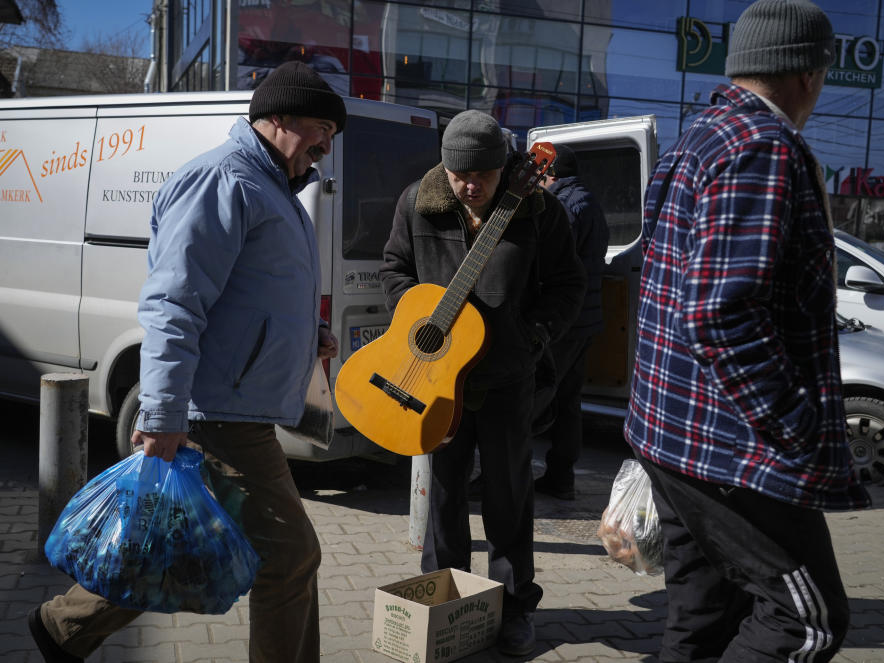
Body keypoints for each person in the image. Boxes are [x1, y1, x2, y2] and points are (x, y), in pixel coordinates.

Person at [28, 60, 344, 663]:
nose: (327, 144)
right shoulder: (223, 181)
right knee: (291, 555)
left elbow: (255, 292)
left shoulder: (273, 189)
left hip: (233, 404)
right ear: (278, 119)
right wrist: (163, 410)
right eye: (321, 127)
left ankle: (64, 626)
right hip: (214, 412)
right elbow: (175, 303)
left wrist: (311, 334)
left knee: (176, 540)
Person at [624, 1, 872, 661]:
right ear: (809, 73)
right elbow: (719, 311)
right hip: (730, 449)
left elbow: (676, 293)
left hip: (675, 436)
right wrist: (794, 423)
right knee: (807, 620)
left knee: (706, 621)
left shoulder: (698, 137)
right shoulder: (761, 146)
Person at [380, 109, 586, 656]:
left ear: (504, 167)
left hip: (507, 377)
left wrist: (533, 334)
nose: (470, 186)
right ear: (443, 168)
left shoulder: (539, 209)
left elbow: (569, 285)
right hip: (436, 378)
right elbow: (394, 269)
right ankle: (443, 598)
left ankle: (514, 605)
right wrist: (416, 314)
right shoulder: (416, 202)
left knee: (508, 496)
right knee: (443, 496)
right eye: (459, 176)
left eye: (483, 176)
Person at [534, 143, 609, 500]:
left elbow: (548, 261)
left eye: (539, 178)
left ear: (551, 175)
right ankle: (561, 478)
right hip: (586, 322)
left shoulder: (562, 205)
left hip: (563, 322)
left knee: (532, 397)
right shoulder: (590, 200)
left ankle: (509, 477)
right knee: (568, 402)